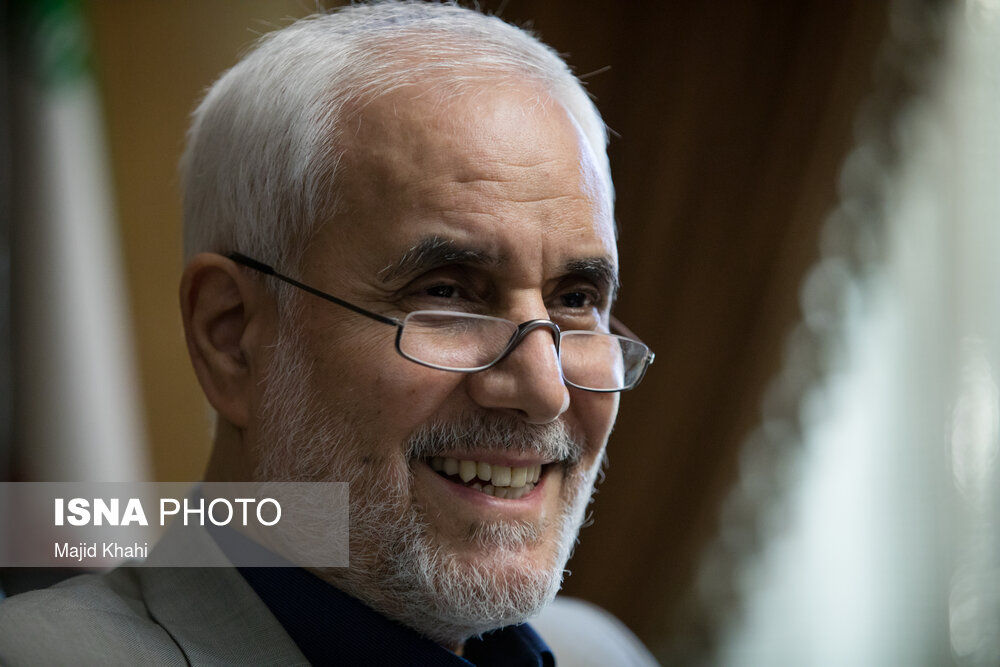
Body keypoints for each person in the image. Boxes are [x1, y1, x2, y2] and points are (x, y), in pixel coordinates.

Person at [0, 3, 657, 665]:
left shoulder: (603, 653)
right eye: (446, 293)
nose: (544, 389)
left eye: (575, 300)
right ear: (231, 338)